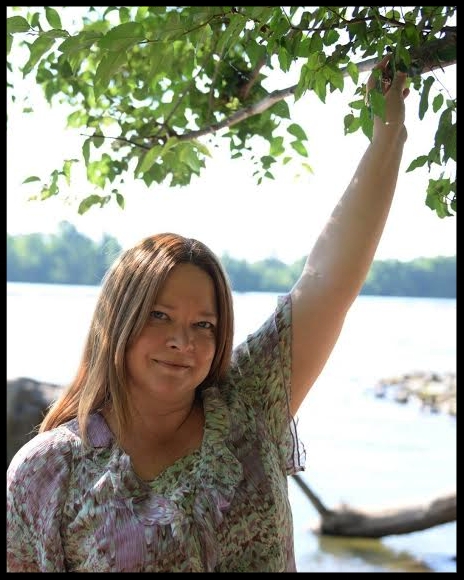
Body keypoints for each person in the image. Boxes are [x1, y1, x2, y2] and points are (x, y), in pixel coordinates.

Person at [7, 55, 409, 572]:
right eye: (159, 316)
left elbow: (328, 282)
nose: (184, 341)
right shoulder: (47, 471)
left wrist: (387, 132)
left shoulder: (251, 405)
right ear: (117, 321)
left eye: (204, 325)